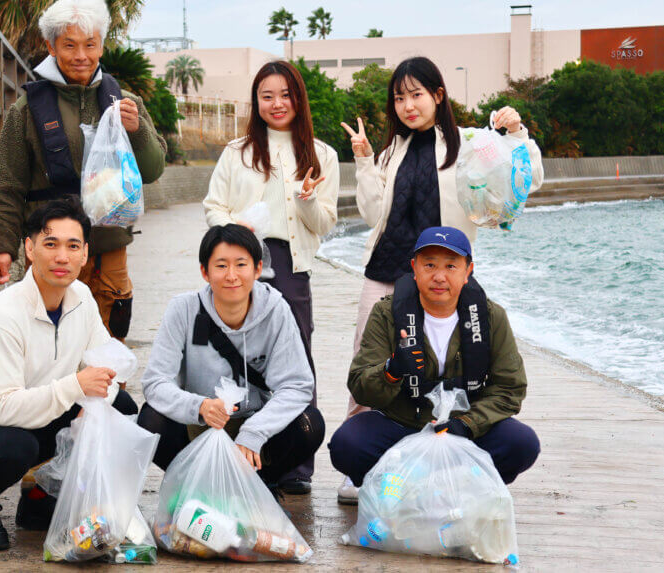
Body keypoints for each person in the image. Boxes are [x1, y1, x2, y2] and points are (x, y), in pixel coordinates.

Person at [335, 56, 543, 503]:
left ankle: (453, 449)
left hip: (443, 275)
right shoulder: (392, 150)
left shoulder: (469, 143)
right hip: (387, 269)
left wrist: (515, 133)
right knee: (370, 361)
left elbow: (524, 179)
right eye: (399, 98)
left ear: (438, 96)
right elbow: (372, 214)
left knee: (455, 359)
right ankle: (359, 472)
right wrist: (366, 161)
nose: (408, 106)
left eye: (416, 94)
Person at [0, 199, 139, 551]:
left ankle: (40, 497)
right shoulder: (3, 315)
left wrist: (95, 400)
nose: (62, 257)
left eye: (73, 246)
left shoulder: (82, 298)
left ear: (85, 253)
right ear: (29, 249)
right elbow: (4, 409)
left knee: (120, 407)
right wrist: (76, 386)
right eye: (50, 244)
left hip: (39, 412)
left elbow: (106, 362)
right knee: (16, 445)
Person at [0, 0, 166, 342]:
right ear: (52, 47)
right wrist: (2, 247)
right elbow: (8, 185)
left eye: (90, 44)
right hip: (51, 247)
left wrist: (138, 129)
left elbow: (154, 169)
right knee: (47, 336)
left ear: (101, 45)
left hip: (109, 247)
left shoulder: (126, 103)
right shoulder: (25, 110)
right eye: (69, 45)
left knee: (110, 338)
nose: (81, 55)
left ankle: (111, 396)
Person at [202, 60, 339, 494]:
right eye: (267, 96)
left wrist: (307, 199)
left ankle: (295, 463)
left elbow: (324, 223)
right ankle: (237, 449)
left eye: (286, 95)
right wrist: (237, 233)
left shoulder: (323, 155)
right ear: (256, 101)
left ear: (298, 98)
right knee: (234, 356)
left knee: (296, 360)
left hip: (291, 265)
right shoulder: (236, 152)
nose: (277, 104)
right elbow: (213, 207)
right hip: (241, 261)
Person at [328, 226, 540, 492]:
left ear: (468, 271)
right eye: (429, 265)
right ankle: (394, 489)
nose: (439, 277)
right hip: (403, 425)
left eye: (451, 266)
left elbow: (510, 388)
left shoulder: (490, 317)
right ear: (414, 269)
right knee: (347, 444)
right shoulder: (386, 314)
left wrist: (466, 425)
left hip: (465, 428)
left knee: (522, 443)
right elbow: (360, 385)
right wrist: (391, 371)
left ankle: (470, 486)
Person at [137, 224, 326, 489]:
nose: (232, 275)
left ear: (258, 269)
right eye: (221, 266)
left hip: (253, 430)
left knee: (309, 424)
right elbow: (155, 383)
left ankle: (258, 487)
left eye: (241, 264)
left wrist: (254, 431)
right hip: (198, 423)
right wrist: (199, 407)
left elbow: (297, 385)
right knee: (150, 418)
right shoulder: (183, 309)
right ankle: (195, 485)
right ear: (205, 271)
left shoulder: (276, 310)